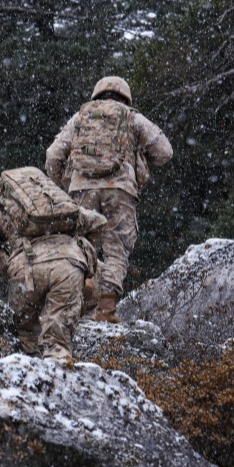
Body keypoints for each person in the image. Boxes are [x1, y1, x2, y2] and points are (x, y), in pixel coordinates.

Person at [45, 76, 172, 323]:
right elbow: (165, 151)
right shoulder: (131, 117)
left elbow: (53, 154)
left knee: (81, 248)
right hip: (120, 190)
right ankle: (106, 310)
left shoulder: (80, 117)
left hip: (81, 189)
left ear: (97, 94)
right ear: (125, 97)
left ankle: (77, 305)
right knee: (116, 249)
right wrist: (140, 159)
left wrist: (61, 184)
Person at [0, 168, 106, 361]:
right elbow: (99, 223)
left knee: (26, 338)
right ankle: (59, 371)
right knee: (58, 342)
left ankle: (31, 377)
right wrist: (86, 258)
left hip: (28, 273)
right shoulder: (55, 207)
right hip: (69, 267)